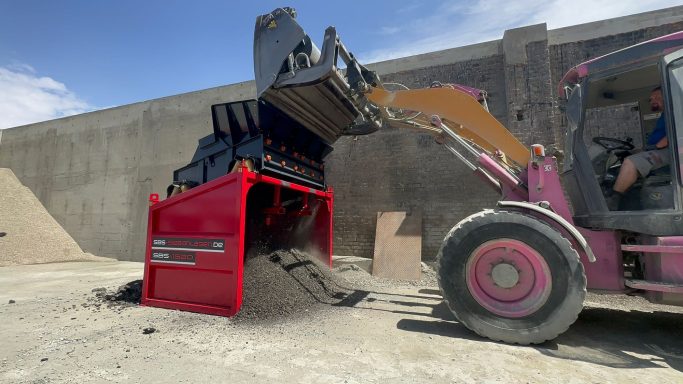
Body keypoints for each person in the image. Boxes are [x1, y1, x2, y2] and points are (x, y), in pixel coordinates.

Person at [608, 87, 669, 210]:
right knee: (627, 158)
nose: (653, 101)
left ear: (667, 96)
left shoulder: (675, 111)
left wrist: (654, 147)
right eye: (651, 99)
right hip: (659, 150)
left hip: (671, 152)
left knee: (630, 162)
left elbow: (670, 137)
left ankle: (613, 201)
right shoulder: (664, 115)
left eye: (657, 97)